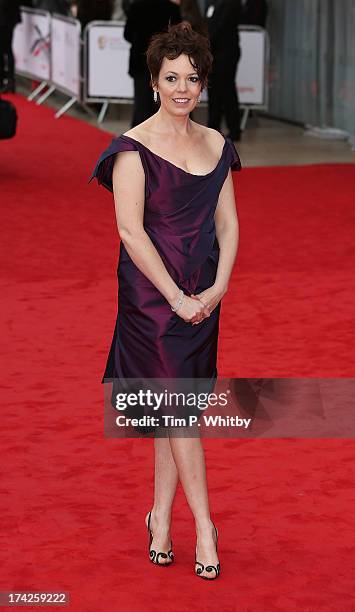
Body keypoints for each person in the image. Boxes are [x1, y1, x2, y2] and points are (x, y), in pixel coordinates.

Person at [90, 21, 241, 580]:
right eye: (171, 77)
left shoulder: (218, 144)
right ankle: (205, 526)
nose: (183, 88)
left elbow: (228, 225)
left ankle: (159, 518)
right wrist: (176, 298)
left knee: (171, 411)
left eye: (193, 79)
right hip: (153, 301)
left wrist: (218, 287)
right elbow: (131, 232)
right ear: (153, 82)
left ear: (203, 85)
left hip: (203, 296)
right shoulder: (133, 149)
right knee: (179, 411)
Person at [124, 0, 181, 127]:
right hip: (163, 63)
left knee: (141, 104)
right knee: (163, 103)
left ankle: (138, 140)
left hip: (140, 62)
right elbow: (177, 38)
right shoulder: (172, 8)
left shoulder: (136, 7)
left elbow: (127, 34)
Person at [205, 0, 242, 141]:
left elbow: (223, 26)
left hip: (226, 51)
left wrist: (207, 42)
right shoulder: (214, 3)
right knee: (213, 90)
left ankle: (234, 129)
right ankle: (213, 127)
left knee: (227, 90)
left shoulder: (231, 3)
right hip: (214, 52)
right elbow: (209, 23)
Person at [0, 0, 21, 93]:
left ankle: (9, 81)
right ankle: (8, 80)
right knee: (7, 50)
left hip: (6, 20)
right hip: (7, 19)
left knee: (7, 50)